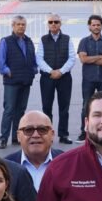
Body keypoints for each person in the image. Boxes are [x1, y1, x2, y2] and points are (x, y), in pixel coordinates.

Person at [34, 15, 76, 144]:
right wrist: (51, 71)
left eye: (56, 22)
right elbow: (39, 58)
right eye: (50, 22)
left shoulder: (67, 39)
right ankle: (47, 134)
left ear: (60, 24)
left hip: (64, 78)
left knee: (64, 107)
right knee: (47, 107)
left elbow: (72, 58)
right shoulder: (43, 39)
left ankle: (63, 135)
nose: (53, 24)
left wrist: (61, 71)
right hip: (47, 77)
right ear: (48, 24)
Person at [0, 16, 37, 149]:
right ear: (13, 26)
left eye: (23, 24)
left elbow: (33, 58)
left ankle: (16, 137)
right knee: (9, 109)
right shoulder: (6, 41)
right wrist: (7, 71)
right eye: (18, 24)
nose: (21, 27)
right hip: (12, 81)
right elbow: (1, 61)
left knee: (21, 110)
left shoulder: (28, 41)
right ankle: (3, 138)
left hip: (26, 80)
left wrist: (34, 70)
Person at [77, 14, 102, 142]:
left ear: (101, 26)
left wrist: (91, 58)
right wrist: (99, 56)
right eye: (93, 25)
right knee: (86, 105)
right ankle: (84, 132)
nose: (96, 27)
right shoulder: (84, 42)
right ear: (89, 26)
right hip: (88, 79)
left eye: (98, 25)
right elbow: (83, 59)